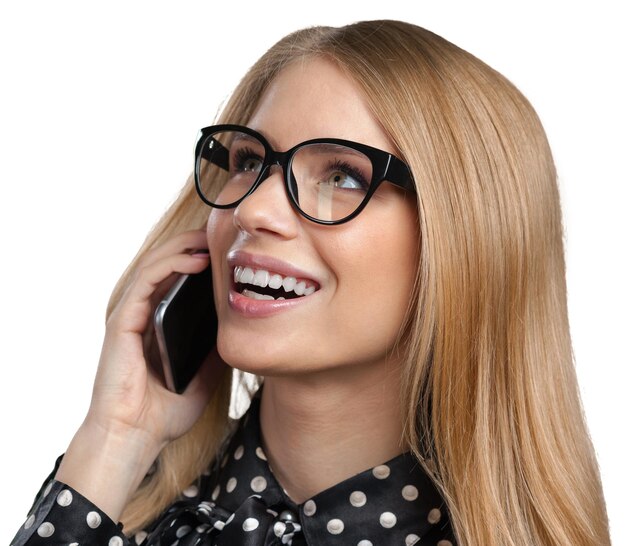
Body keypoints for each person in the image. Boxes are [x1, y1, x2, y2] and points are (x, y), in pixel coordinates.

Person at [11, 19, 611, 546]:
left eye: (344, 176)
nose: (252, 210)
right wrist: (116, 439)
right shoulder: (116, 517)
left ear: (464, 238)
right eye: (249, 162)